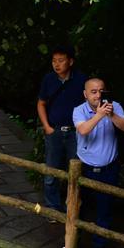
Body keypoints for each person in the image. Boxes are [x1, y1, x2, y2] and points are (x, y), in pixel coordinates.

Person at [72, 78, 124, 248]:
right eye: (94, 92)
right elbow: (83, 130)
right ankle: (73, 242)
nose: (98, 95)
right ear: (85, 94)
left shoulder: (115, 106)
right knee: (77, 206)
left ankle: (100, 246)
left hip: (108, 168)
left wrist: (111, 115)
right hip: (84, 167)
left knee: (105, 209)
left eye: (101, 91)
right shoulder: (79, 110)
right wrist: (98, 115)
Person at [37, 45, 86, 212]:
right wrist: (47, 126)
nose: (56, 64)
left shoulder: (81, 80)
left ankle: (72, 206)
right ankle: (52, 207)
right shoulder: (49, 79)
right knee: (51, 170)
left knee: (75, 171)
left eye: (61, 60)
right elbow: (41, 103)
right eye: (54, 61)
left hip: (75, 132)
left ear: (70, 61)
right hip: (55, 130)